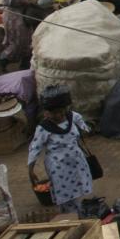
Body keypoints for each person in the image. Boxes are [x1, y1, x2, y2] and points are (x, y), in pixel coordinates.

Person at [28, 88, 93, 216]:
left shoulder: (73, 117)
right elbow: (34, 148)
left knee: (78, 190)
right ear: (46, 112)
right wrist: (30, 170)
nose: (57, 115)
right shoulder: (43, 128)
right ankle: (73, 217)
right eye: (53, 113)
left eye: (60, 112)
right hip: (59, 167)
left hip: (77, 161)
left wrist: (86, 130)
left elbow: (86, 129)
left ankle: (80, 214)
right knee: (66, 196)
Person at [0, 0, 36, 67]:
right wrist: (21, 3)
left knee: (26, 42)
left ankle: (24, 67)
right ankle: (1, 62)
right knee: (16, 43)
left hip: (21, 15)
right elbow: (5, 1)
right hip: (13, 17)